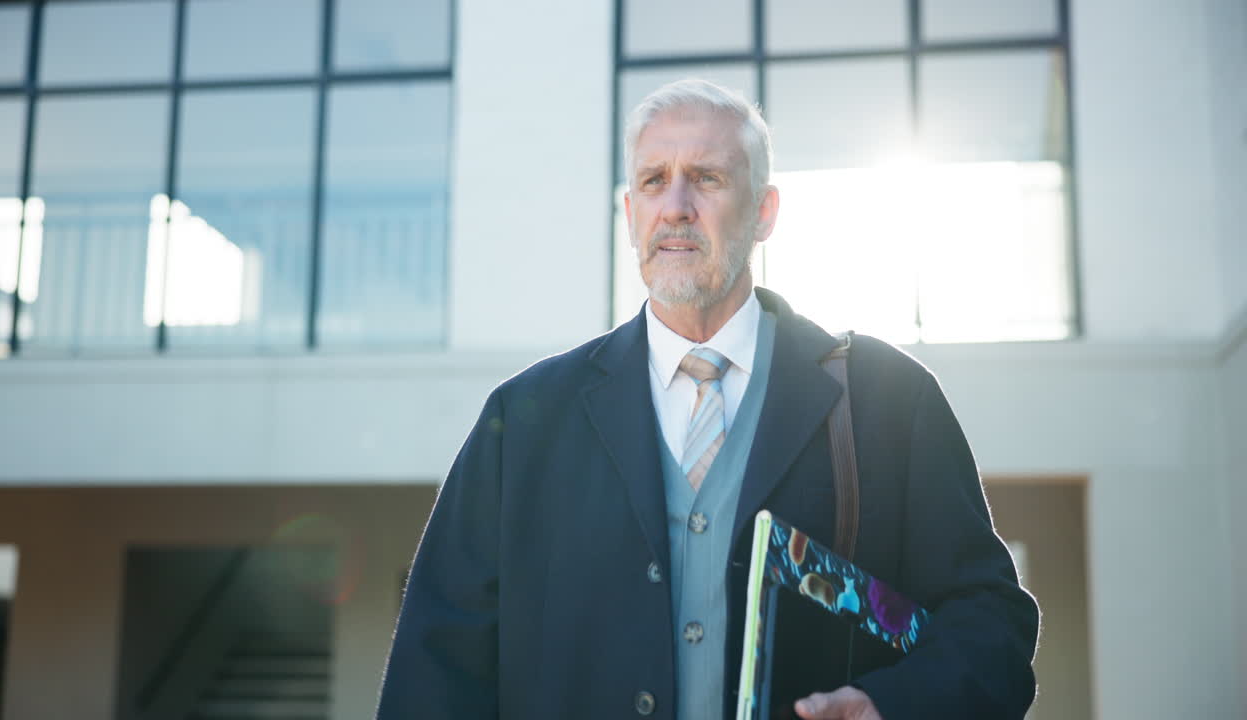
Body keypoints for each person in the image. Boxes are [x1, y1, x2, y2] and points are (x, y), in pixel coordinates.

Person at [376, 78, 1039, 720]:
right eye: (653, 181)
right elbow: (434, 674)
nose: (676, 206)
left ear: (764, 212)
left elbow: (991, 624)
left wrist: (892, 705)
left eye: (707, 178)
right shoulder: (523, 421)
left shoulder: (888, 401)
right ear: (630, 215)